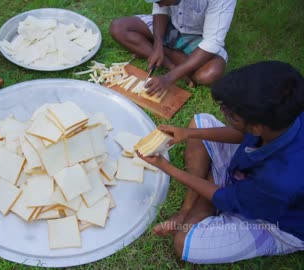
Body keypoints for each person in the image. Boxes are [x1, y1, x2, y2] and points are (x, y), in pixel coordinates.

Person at [137, 61, 304, 264]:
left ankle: (202, 202)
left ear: (257, 127)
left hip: (276, 221)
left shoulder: (281, 181)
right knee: (199, 123)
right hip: (252, 182)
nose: (224, 115)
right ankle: (201, 198)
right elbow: (242, 134)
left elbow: (227, 197)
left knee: (184, 243)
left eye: (231, 116)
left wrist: (167, 167)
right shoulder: (286, 114)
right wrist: (188, 133)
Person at [110, 0, 236, 96]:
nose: (160, 5)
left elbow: (212, 41)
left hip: (200, 37)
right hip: (170, 25)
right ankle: (168, 58)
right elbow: (160, 10)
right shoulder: (162, 3)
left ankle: (165, 53)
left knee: (210, 74)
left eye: (162, 1)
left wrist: (169, 78)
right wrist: (157, 44)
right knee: (119, 28)